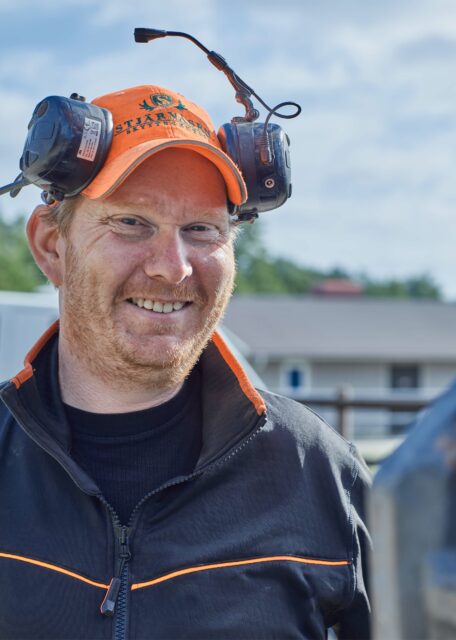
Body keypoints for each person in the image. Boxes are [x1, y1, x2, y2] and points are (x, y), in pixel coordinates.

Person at [0, 84, 371, 639]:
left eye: (202, 229)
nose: (173, 268)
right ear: (52, 245)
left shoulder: (319, 474)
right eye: (131, 222)